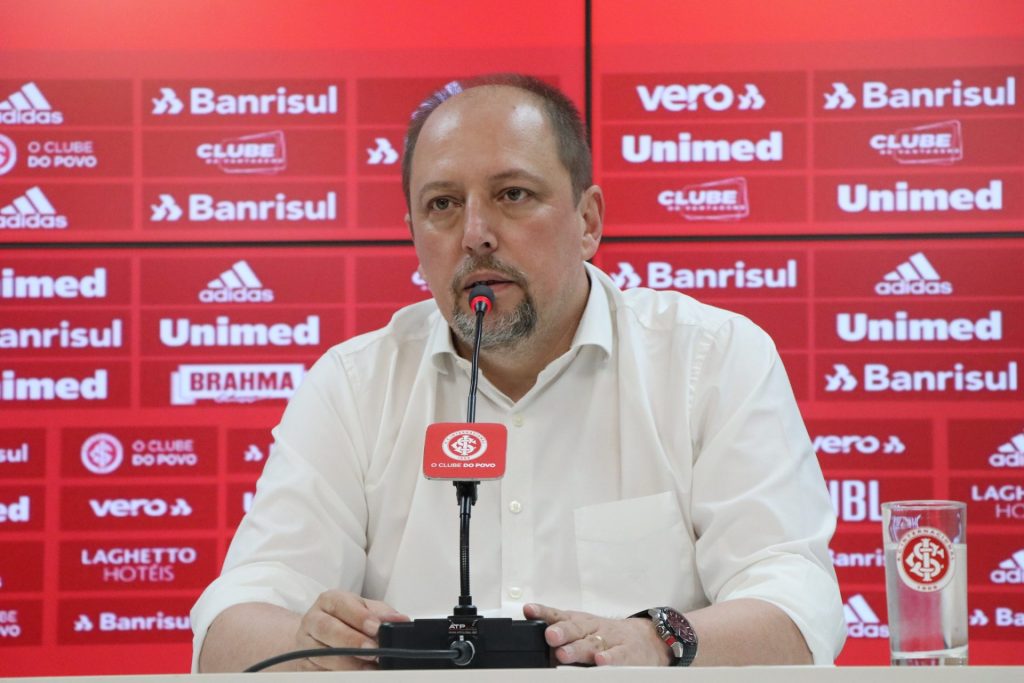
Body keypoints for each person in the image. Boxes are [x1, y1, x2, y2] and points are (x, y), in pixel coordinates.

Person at [191, 73, 846, 671]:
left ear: (587, 221)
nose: (476, 233)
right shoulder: (354, 385)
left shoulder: (712, 358)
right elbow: (229, 621)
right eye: (443, 204)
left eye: (512, 194)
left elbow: (797, 598)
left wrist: (658, 637)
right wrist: (308, 649)